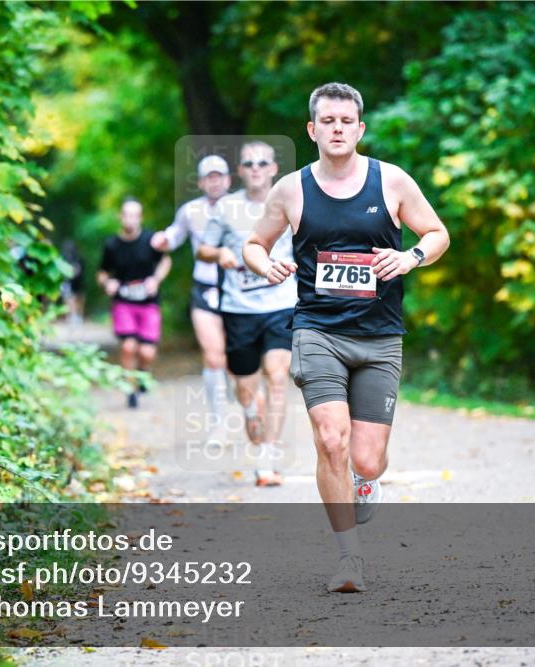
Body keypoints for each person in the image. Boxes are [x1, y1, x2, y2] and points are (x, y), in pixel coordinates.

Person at [243, 82, 450, 592]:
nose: (337, 129)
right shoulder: (291, 189)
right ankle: (348, 559)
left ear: (360, 128)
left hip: (380, 336)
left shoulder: (392, 181)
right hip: (317, 331)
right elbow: (252, 242)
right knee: (329, 439)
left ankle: (366, 481)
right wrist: (266, 264)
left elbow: (437, 233)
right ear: (313, 130)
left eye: (346, 121)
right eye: (327, 121)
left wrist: (410, 258)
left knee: (366, 457)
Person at [198, 142, 296, 487]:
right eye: (249, 163)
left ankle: (267, 460)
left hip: (281, 304)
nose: (256, 168)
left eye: (263, 163)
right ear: (240, 171)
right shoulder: (225, 208)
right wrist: (221, 251)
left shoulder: (290, 201)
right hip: (239, 310)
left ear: (273, 169)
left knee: (278, 377)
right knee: (245, 386)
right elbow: (203, 249)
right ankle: (251, 410)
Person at [152, 156, 233, 439]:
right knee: (213, 357)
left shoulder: (241, 208)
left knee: (239, 359)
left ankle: (248, 410)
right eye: (209, 177)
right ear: (201, 182)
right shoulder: (191, 211)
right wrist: (162, 239)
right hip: (204, 288)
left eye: (219, 176)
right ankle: (219, 423)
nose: (215, 181)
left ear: (228, 180)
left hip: (238, 291)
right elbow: (174, 235)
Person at [99, 198, 172, 408]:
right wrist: (108, 283)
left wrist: (155, 280)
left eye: (134, 215)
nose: (130, 219)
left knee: (147, 352)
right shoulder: (111, 244)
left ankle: (143, 373)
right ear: (120, 217)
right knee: (129, 346)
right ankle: (130, 389)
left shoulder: (151, 240)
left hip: (148, 302)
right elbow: (102, 273)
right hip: (123, 301)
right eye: (126, 215)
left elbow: (166, 260)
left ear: (140, 218)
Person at [60, 239, 86, 327]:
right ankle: (73, 316)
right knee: (70, 299)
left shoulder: (77, 258)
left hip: (75, 282)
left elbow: (80, 271)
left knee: (74, 299)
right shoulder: (64, 258)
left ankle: (75, 316)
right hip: (69, 282)